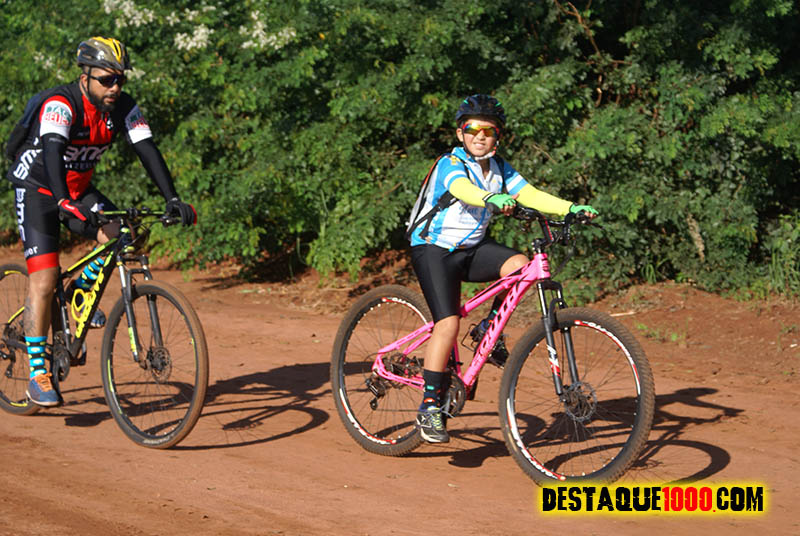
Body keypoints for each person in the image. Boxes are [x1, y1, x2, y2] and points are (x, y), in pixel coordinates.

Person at [6, 36, 196, 407]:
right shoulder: (61, 105)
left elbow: (147, 149)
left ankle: (78, 292)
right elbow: (53, 151)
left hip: (77, 189)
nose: (115, 87)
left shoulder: (123, 107)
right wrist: (62, 200)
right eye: (107, 79)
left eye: (120, 79)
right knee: (43, 279)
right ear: (85, 77)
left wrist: (172, 199)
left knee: (127, 234)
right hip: (38, 189)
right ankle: (37, 373)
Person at [406, 94, 597, 443]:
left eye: (488, 130)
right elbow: (461, 189)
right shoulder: (450, 162)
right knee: (448, 323)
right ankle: (429, 406)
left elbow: (531, 195)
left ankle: (488, 331)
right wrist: (490, 198)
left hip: (471, 248)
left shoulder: (499, 168)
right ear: (461, 133)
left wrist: (570, 208)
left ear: (498, 136)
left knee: (520, 266)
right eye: (472, 129)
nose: (480, 136)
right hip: (433, 248)